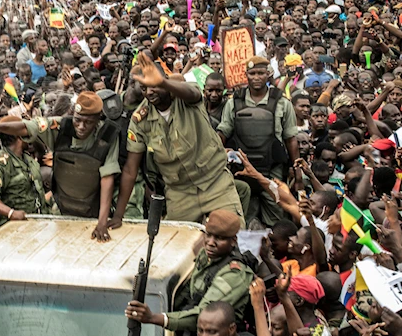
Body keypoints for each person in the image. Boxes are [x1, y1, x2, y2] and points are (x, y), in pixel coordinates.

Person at [113, 53, 244, 227]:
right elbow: (131, 169)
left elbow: (192, 93)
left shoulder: (185, 97)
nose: (150, 92)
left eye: (154, 86)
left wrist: (163, 82)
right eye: (144, 88)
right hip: (179, 193)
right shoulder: (140, 120)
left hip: (215, 183)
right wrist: (118, 216)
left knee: (230, 235)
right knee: (175, 246)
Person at [0, 91, 121, 241]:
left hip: (93, 210)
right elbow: (27, 127)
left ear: (98, 119)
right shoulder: (60, 126)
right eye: (77, 120)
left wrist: (102, 221)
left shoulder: (107, 136)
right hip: (61, 211)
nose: (81, 126)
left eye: (88, 122)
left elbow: (107, 177)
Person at [124, 210, 253, 333]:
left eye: (219, 238)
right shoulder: (207, 256)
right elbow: (188, 294)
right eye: (208, 235)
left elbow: (205, 317)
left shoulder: (235, 274)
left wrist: (155, 318)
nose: (210, 243)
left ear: (233, 241)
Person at [217, 56, 299, 226]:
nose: (256, 77)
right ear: (246, 74)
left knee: (276, 216)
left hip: (272, 169)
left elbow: (291, 139)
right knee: (239, 217)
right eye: (252, 73)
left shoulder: (282, 103)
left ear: (269, 74)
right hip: (241, 169)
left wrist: (296, 168)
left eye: (261, 73)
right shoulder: (234, 102)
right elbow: (223, 133)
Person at [0, 115, 49, 231]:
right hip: (12, 229)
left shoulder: (26, 158)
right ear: (19, 136)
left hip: (35, 224)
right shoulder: (0, 163)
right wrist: (10, 213)